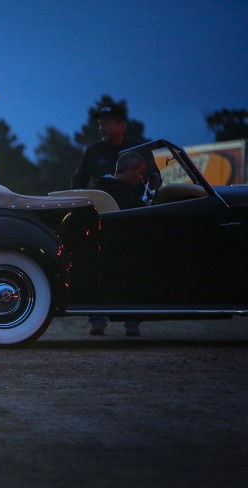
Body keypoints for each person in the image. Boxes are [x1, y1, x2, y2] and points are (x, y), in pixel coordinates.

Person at [87, 151, 151, 337]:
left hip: (101, 250)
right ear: (130, 170)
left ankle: (99, 321)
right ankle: (132, 321)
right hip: (124, 251)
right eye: (139, 174)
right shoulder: (124, 196)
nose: (141, 179)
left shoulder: (99, 188)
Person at [70, 104, 159, 191]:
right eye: (100, 124)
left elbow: (155, 177)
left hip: (133, 203)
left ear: (122, 126)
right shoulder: (92, 152)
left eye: (107, 123)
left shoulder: (139, 149)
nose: (102, 128)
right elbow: (78, 181)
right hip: (103, 204)